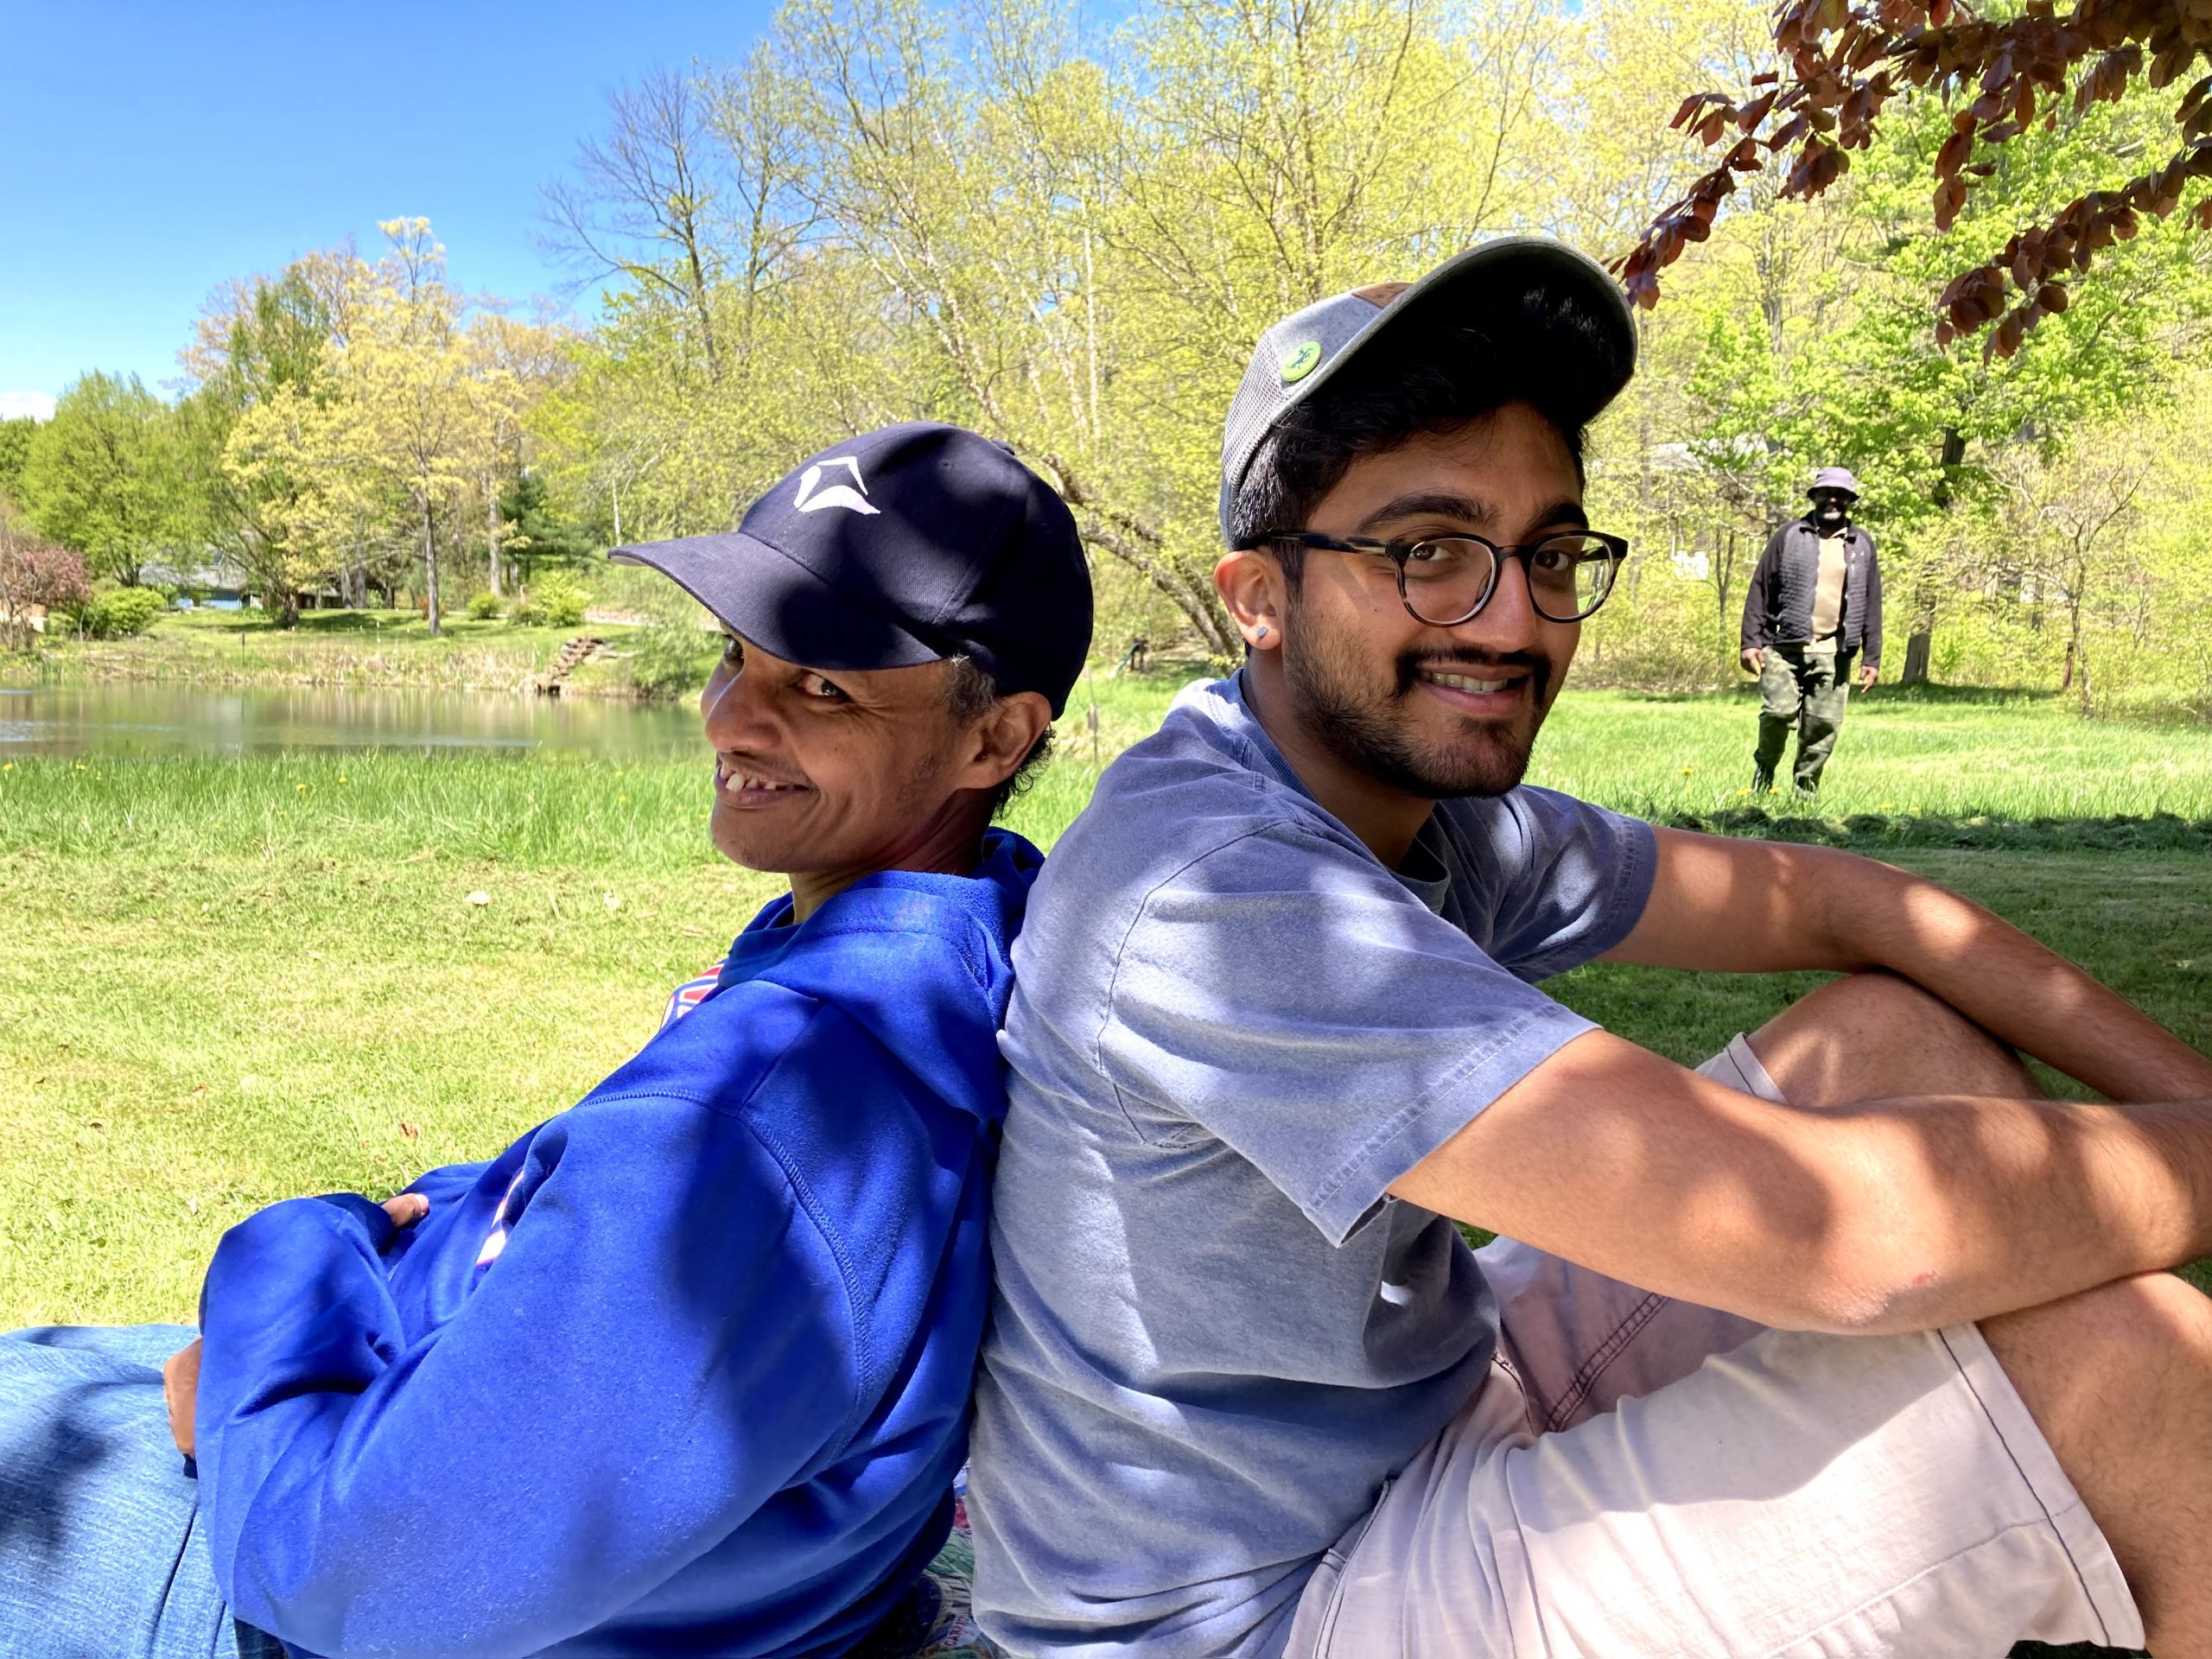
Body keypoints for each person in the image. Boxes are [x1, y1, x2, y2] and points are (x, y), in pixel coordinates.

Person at [968, 238, 2212, 1659]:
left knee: (1891, 1043)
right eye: (1429, 552)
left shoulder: (1413, 802)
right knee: (2135, 1376)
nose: (1510, 620)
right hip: (1258, 1611)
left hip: (1435, 1407)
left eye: (1547, 551)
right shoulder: (1215, 895)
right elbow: (1828, 1237)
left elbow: (1833, 898)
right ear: (1257, 598)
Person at [0, 421, 1092, 1659]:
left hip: (282, 1572)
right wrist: (443, 1209)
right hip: (457, 1439)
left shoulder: (776, 1115)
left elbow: (359, 1582)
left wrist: (293, 1259)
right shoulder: (944, 947)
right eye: (736, 657)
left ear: (995, 737)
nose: (733, 719)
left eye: (823, 686)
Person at [1740, 467, 1882, 793]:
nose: (1833, 499)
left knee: (1823, 727)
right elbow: (1760, 587)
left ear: (1849, 500)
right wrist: (1750, 642)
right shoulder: (1789, 536)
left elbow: (1872, 601)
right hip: (1783, 647)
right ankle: (1764, 775)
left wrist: (1871, 658)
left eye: (1841, 494)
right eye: (1826, 492)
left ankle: (1804, 794)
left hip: (1835, 653)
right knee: (1778, 714)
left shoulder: (1861, 545)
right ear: (1814, 496)